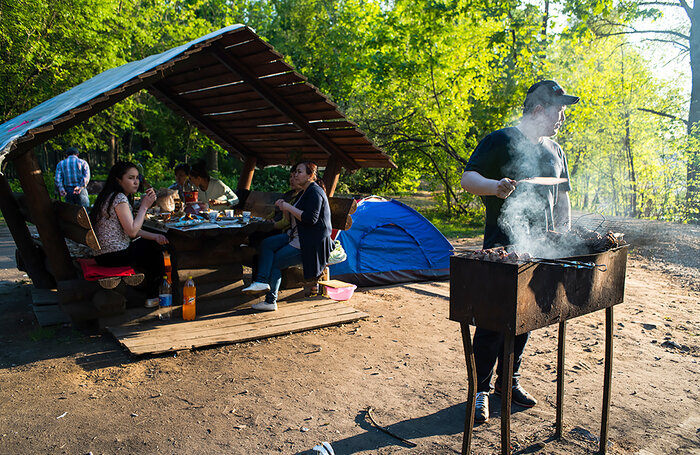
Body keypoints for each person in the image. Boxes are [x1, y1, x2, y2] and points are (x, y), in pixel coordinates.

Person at [460, 80, 579, 423]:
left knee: (525, 317)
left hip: (539, 249)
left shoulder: (556, 150)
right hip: (501, 248)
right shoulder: (501, 140)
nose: (563, 117)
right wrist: (494, 187)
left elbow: (563, 196)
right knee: (490, 320)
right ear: (539, 109)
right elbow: (468, 179)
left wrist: (564, 233)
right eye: (559, 110)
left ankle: (507, 382)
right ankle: (479, 390)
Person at [242, 161, 333, 311]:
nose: (295, 175)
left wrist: (288, 207)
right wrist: (285, 207)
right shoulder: (304, 192)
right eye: (295, 172)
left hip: (309, 243)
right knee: (266, 244)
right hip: (295, 236)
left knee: (276, 262)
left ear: (311, 176)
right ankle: (261, 281)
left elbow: (311, 219)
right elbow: (293, 218)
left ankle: (270, 301)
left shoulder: (315, 192)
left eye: (299, 172)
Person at [89, 161, 169, 308]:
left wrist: (155, 236)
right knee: (154, 250)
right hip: (113, 255)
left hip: (103, 255)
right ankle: (153, 296)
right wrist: (144, 206)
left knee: (151, 243)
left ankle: (149, 292)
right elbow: (132, 232)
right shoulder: (119, 198)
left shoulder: (109, 196)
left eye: (137, 178)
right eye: (131, 178)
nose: (136, 182)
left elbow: (130, 228)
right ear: (118, 180)